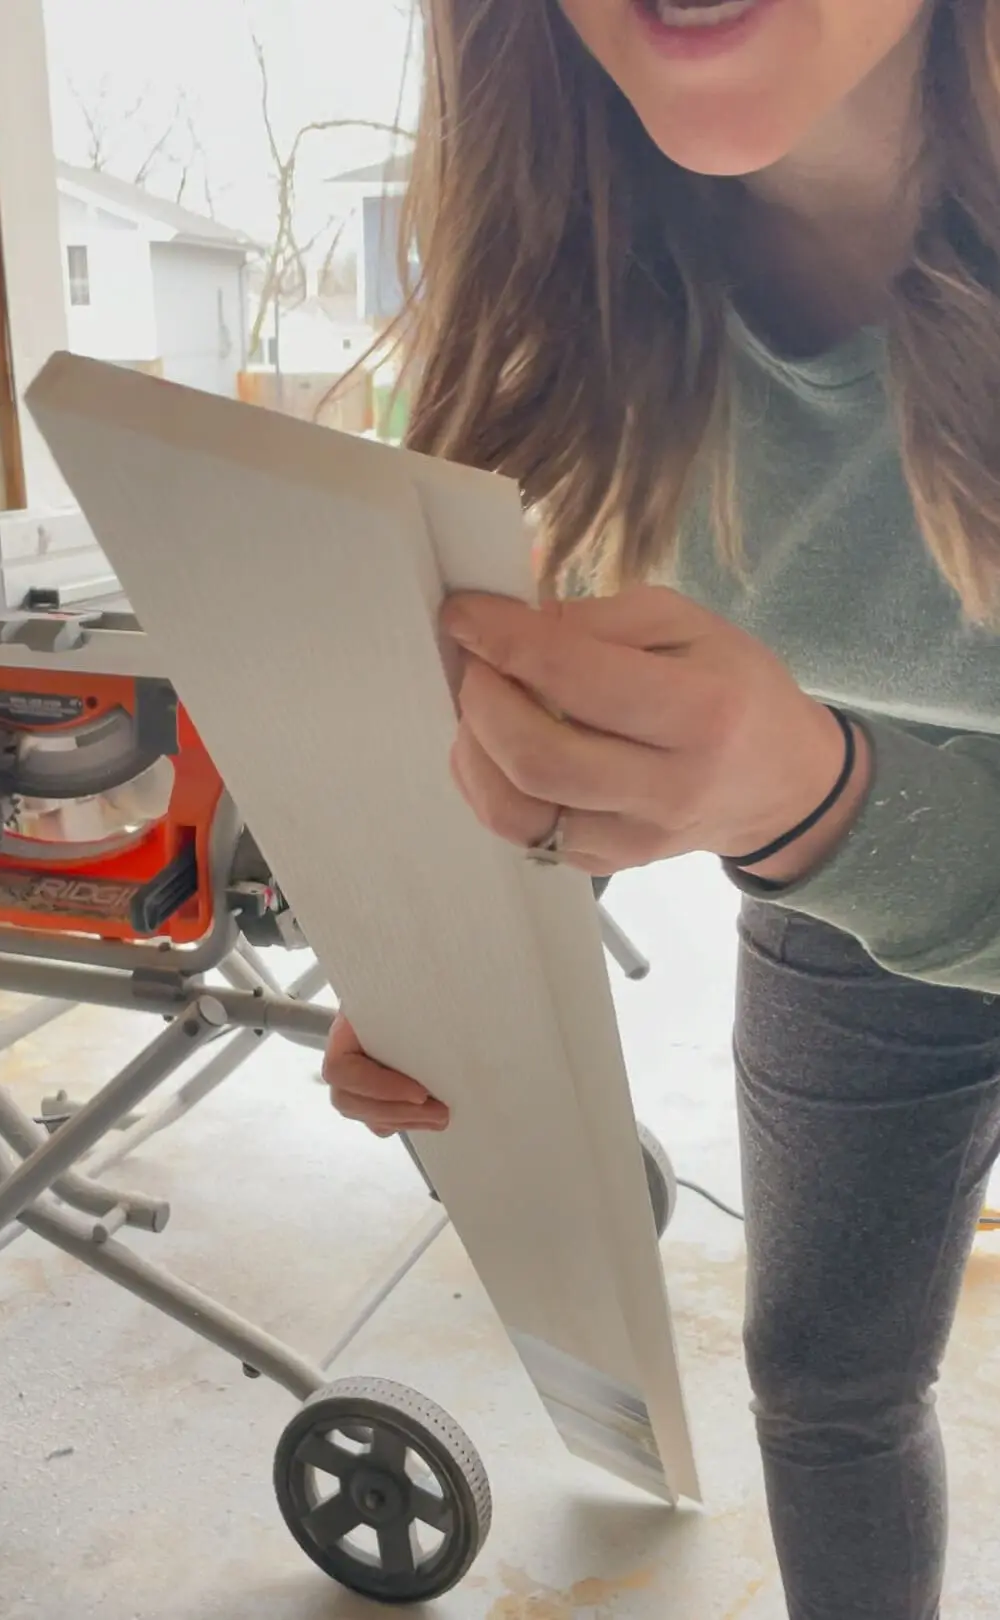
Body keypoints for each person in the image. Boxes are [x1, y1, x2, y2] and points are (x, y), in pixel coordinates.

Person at [324, 2, 1000, 1615]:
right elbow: (539, 714)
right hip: (844, 932)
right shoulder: (580, 291)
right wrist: (440, 956)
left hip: (825, 848)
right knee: (826, 1380)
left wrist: (820, 795)